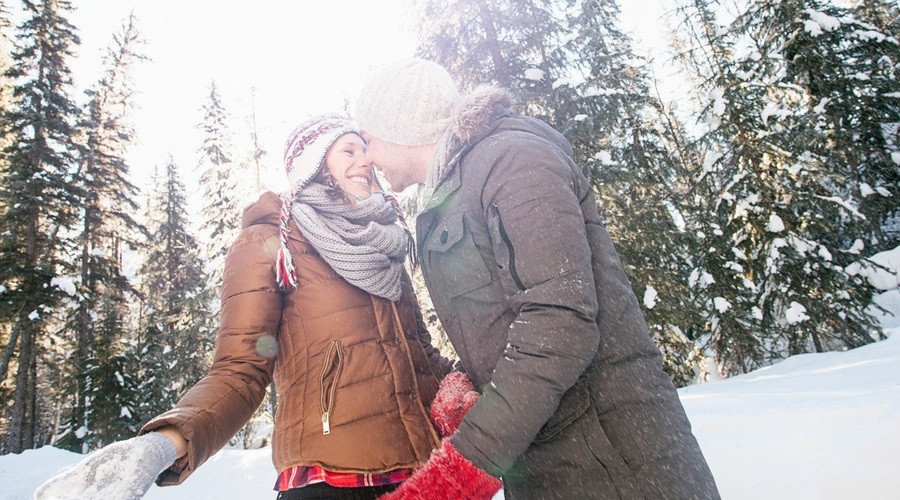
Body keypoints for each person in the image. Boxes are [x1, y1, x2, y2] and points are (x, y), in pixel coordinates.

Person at [33, 113, 468, 500]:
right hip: (329, 482)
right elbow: (240, 370)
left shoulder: (386, 242)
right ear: (313, 163)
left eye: (366, 150)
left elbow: (417, 353)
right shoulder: (270, 242)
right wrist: (165, 442)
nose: (366, 161)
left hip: (422, 475)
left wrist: (481, 385)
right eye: (348, 150)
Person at [352, 59, 722, 499]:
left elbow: (560, 321)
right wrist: (471, 386)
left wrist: (464, 466)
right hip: (548, 462)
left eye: (369, 140)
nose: (368, 157)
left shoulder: (511, 160)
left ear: (402, 125)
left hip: (615, 460)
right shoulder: (450, 192)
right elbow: (508, 320)